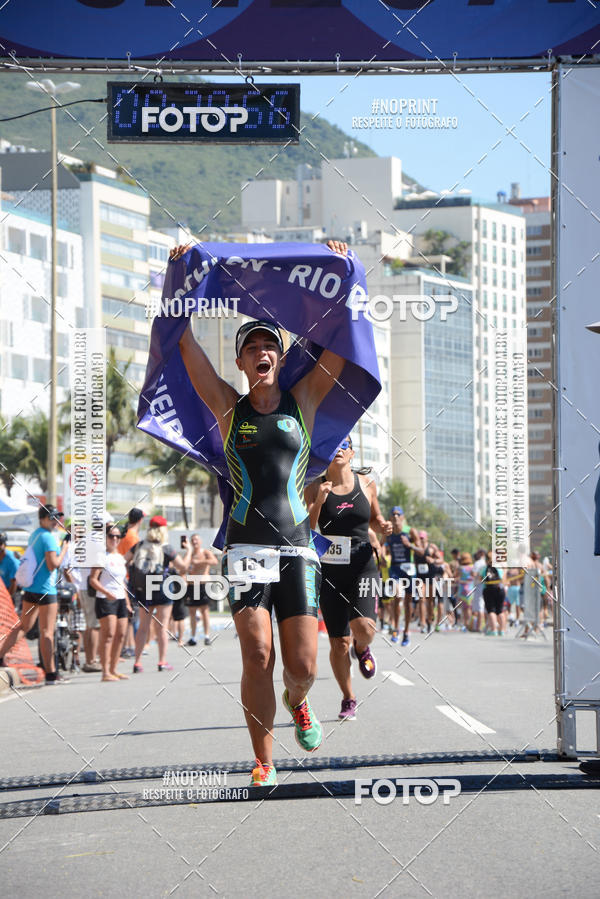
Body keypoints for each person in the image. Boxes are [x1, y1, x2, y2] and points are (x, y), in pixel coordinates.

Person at [173, 238, 349, 787]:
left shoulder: (306, 399)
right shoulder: (229, 407)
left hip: (298, 546)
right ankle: (263, 761)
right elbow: (184, 345)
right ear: (243, 361)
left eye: (269, 343)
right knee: (256, 653)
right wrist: (181, 276)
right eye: (251, 346)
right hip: (246, 547)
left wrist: (339, 272)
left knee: (302, 667)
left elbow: (339, 342)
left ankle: (298, 702)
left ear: (278, 354)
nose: (261, 352)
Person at [305, 436, 391, 720]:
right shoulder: (315, 486)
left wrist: (384, 525)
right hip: (329, 570)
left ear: (352, 453)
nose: (338, 449)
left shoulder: (366, 484)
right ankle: (348, 698)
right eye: (332, 445)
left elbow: (374, 520)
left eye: (344, 445)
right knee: (337, 642)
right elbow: (308, 529)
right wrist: (319, 500)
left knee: (365, 628)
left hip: (363, 564)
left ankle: (362, 646)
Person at [0, 505, 68, 684]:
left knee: (23, 626)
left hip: (30, 590)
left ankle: (0, 655)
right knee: (47, 632)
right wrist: (65, 548)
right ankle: (51, 673)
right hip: (46, 591)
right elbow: (53, 564)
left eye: (56, 518)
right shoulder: (48, 538)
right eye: (52, 518)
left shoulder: (35, 534)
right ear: (42, 519)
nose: (55, 522)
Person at [131, 516, 191, 672]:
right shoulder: (167, 548)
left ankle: (137, 663)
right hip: (163, 589)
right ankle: (162, 662)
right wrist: (189, 550)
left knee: (143, 627)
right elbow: (183, 567)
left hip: (144, 589)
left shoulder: (139, 546)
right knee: (162, 627)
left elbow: (125, 561)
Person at [89, 524, 132, 681]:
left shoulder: (120, 557)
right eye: (111, 536)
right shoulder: (101, 556)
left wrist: (127, 602)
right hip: (105, 599)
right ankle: (105, 672)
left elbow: (122, 582)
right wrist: (107, 593)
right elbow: (92, 579)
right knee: (109, 635)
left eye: (117, 536)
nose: (114, 539)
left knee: (121, 635)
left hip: (120, 599)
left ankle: (114, 669)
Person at [382, 508, 421, 646]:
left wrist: (409, 545)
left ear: (403, 517)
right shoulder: (388, 532)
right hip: (395, 568)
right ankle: (396, 628)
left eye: (399, 514)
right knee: (397, 596)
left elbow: (421, 550)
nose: (396, 517)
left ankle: (406, 631)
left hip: (409, 569)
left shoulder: (410, 531)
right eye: (393, 514)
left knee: (408, 602)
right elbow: (382, 545)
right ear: (391, 518)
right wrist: (382, 555)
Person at [185, 534, 219, 646]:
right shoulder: (189, 554)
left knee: (204, 611)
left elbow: (214, 561)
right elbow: (184, 567)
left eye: (196, 539)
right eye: (192, 540)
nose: (194, 542)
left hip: (203, 584)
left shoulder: (205, 552)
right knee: (192, 612)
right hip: (191, 585)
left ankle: (206, 636)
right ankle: (193, 637)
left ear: (200, 541)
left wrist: (199, 563)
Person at [481, 552, 507, 636]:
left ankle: (494, 630)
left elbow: (480, 579)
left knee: (491, 610)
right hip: (500, 590)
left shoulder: (484, 568)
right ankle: (502, 630)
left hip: (488, 590)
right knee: (500, 610)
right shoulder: (500, 568)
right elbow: (504, 579)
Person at [0, 533, 18, 600]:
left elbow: (14, 582)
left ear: (4, 545)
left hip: (11, 590)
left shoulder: (11, 560)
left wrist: (7, 599)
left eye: (0, 543)